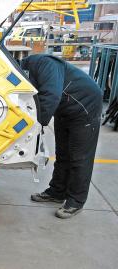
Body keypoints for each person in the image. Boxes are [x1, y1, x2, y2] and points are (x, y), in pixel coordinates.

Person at [21, 54, 103, 219]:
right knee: (63, 154)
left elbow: (51, 95)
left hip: (85, 107)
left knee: (79, 158)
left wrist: (37, 125)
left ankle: (76, 201)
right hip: (65, 109)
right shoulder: (22, 73)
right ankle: (57, 192)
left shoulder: (44, 63)